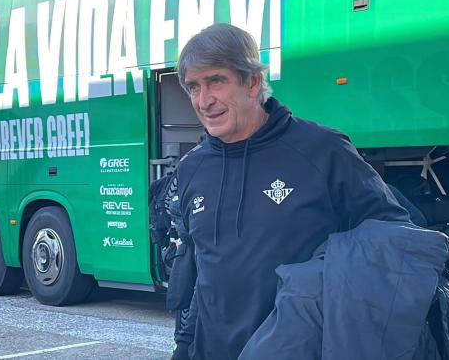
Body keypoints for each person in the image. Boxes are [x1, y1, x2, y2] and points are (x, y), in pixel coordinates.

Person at [174, 23, 410, 360]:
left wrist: (318, 280)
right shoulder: (191, 169)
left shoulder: (322, 150)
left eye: (216, 81)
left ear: (252, 82)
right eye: (193, 87)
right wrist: (184, 346)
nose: (204, 101)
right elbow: (203, 270)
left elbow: (393, 236)